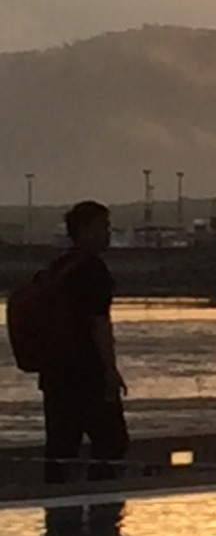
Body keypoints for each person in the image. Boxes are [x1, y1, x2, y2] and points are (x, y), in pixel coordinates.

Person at [13, 201, 128, 485]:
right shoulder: (93, 271)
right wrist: (110, 371)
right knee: (112, 442)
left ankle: (58, 509)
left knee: (60, 447)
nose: (108, 234)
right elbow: (99, 324)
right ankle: (101, 502)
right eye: (103, 227)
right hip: (87, 373)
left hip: (55, 373)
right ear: (84, 230)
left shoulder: (58, 267)